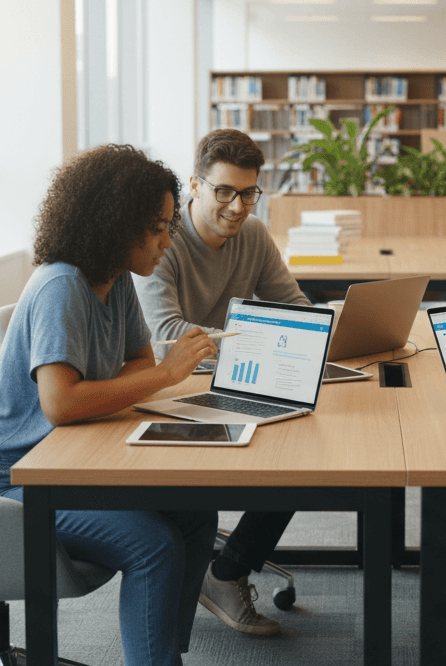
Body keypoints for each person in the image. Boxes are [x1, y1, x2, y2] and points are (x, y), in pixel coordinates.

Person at [0, 145, 220, 666]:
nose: (166, 241)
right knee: (153, 543)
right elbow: (63, 403)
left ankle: (159, 655)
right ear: (115, 224)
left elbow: (133, 365)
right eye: (155, 227)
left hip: (61, 459)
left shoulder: (115, 281)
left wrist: (147, 376)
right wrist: (165, 374)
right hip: (2, 477)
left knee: (196, 514)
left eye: (168, 225)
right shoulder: (61, 284)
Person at [135, 128, 311, 637]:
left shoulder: (252, 236)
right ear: (194, 184)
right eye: (224, 192)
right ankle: (209, 562)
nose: (238, 207)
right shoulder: (161, 241)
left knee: (303, 451)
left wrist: (319, 330)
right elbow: (166, 336)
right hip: (172, 390)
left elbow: (293, 307)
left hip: (237, 378)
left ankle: (226, 570)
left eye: (249, 193)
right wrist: (262, 339)